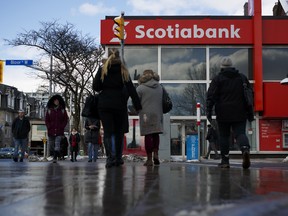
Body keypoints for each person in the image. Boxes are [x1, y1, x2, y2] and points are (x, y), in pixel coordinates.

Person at [93, 48, 142, 168]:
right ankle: (118, 158)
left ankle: (110, 158)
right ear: (119, 57)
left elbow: (96, 87)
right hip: (119, 104)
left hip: (104, 105)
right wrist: (138, 106)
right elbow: (131, 88)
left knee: (108, 133)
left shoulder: (103, 69)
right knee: (119, 133)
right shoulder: (123, 70)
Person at [206, 57, 254, 169]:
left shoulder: (217, 79)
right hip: (240, 111)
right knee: (240, 133)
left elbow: (211, 96)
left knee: (224, 136)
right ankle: (245, 149)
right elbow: (250, 94)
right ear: (232, 66)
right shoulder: (242, 78)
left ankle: (225, 160)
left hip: (223, 113)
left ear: (222, 67)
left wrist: (208, 111)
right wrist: (249, 110)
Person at [136, 69, 163, 166]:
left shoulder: (140, 88)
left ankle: (149, 159)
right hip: (157, 113)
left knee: (148, 135)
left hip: (145, 115)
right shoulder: (159, 87)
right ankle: (156, 154)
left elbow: (135, 101)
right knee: (156, 134)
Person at [45, 94, 69, 163]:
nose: (56, 102)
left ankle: (55, 157)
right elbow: (46, 120)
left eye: (57, 101)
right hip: (51, 131)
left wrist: (62, 126)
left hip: (59, 131)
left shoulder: (62, 110)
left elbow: (65, 119)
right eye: (55, 101)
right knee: (51, 145)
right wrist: (49, 126)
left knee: (57, 143)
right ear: (53, 101)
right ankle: (56, 154)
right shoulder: (49, 110)